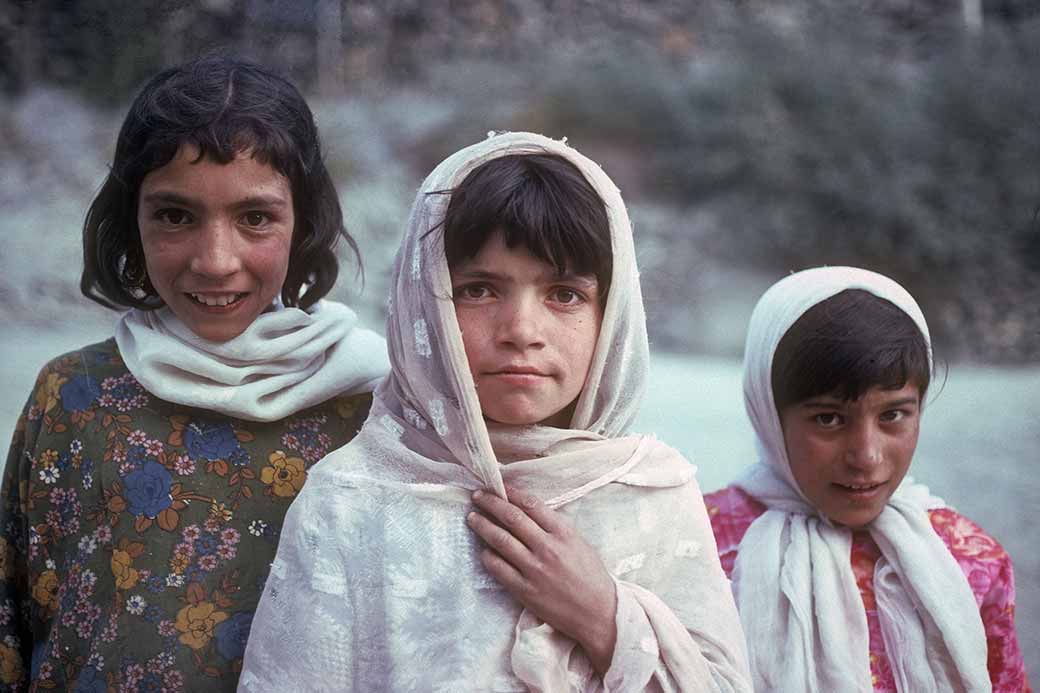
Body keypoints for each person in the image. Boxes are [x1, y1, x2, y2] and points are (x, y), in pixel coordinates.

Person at [239, 131, 751, 691]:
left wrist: (603, 618)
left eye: (564, 294)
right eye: (479, 290)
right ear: (423, 299)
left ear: (613, 314)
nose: (522, 332)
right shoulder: (352, 501)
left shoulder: (653, 497)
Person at [0, 55, 389, 691]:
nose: (215, 261)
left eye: (255, 217)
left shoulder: (372, 405)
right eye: (175, 216)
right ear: (132, 220)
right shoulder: (73, 397)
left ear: (304, 221)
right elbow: (14, 618)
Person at [704, 266, 1031, 692]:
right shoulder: (697, 549)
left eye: (893, 414)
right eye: (828, 418)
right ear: (767, 411)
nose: (867, 456)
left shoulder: (970, 561)